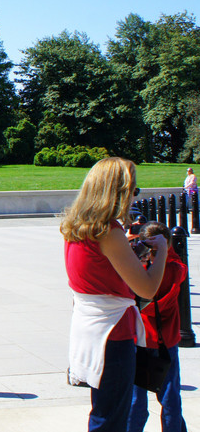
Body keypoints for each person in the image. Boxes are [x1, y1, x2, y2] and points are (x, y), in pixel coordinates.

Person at [63, 157, 168, 432]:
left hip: (90, 330)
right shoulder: (109, 232)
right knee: (112, 418)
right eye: (133, 189)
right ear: (118, 191)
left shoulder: (76, 227)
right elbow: (147, 288)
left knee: (102, 411)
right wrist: (162, 252)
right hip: (114, 334)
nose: (135, 196)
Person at [128, 222, 188, 432]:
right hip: (167, 342)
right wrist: (164, 248)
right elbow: (177, 264)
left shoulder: (138, 273)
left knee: (135, 402)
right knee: (170, 399)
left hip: (140, 342)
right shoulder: (175, 270)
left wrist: (137, 253)